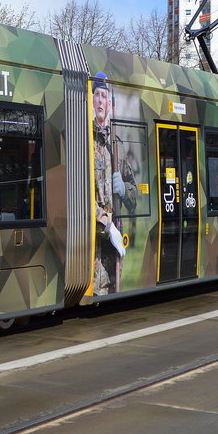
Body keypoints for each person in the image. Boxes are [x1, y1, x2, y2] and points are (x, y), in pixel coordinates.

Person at [92, 74, 126, 296]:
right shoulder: (85, 139)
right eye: (97, 95)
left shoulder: (117, 144)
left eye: (105, 96)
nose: (101, 100)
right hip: (94, 248)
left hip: (113, 256)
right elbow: (79, 195)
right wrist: (106, 225)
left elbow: (135, 191)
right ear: (92, 100)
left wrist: (125, 189)